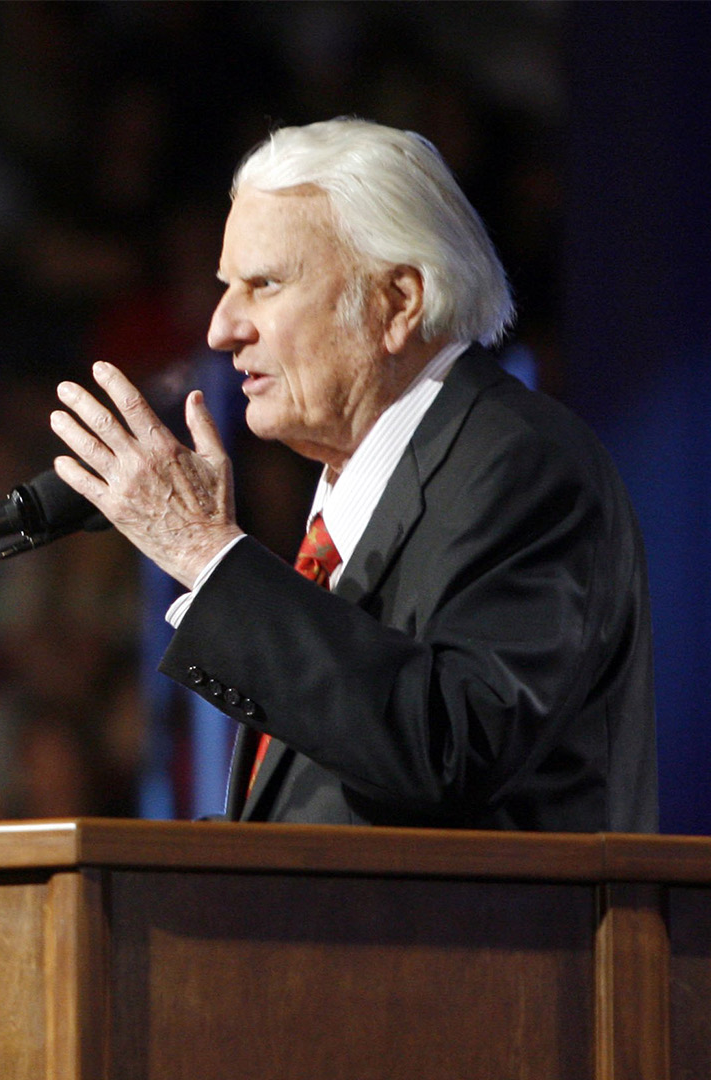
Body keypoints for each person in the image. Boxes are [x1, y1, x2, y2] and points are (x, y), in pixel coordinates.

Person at [47, 118, 656, 830]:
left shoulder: (522, 463)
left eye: (264, 285)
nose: (220, 329)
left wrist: (207, 555)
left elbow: (449, 749)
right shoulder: (353, 489)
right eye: (225, 287)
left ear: (397, 302)